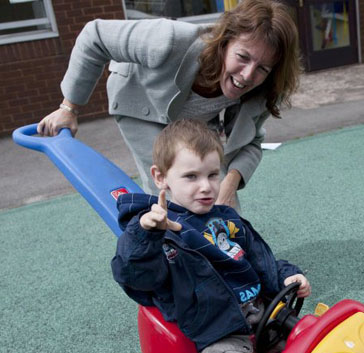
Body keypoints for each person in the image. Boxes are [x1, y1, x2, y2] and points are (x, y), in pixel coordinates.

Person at [111, 119, 311, 353]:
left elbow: (260, 261)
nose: (205, 187)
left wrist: (288, 277)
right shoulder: (159, 233)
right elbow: (136, 277)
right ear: (160, 177)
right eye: (191, 176)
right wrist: (146, 234)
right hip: (220, 332)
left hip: (266, 315)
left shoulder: (228, 219)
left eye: (213, 175)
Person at [37, 0, 301, 211]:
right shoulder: (169, 41)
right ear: (224, 42)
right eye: (242, 57)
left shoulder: (266, 88)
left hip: (195, 119)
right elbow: (94, 36)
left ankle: (229, 260)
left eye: (262, 68)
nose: (247, 75)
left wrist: (228, 185)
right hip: (143, 102)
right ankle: (173, 260)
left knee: (215, 191)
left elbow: (252, 143)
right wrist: (69, 108)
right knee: (175, 187)